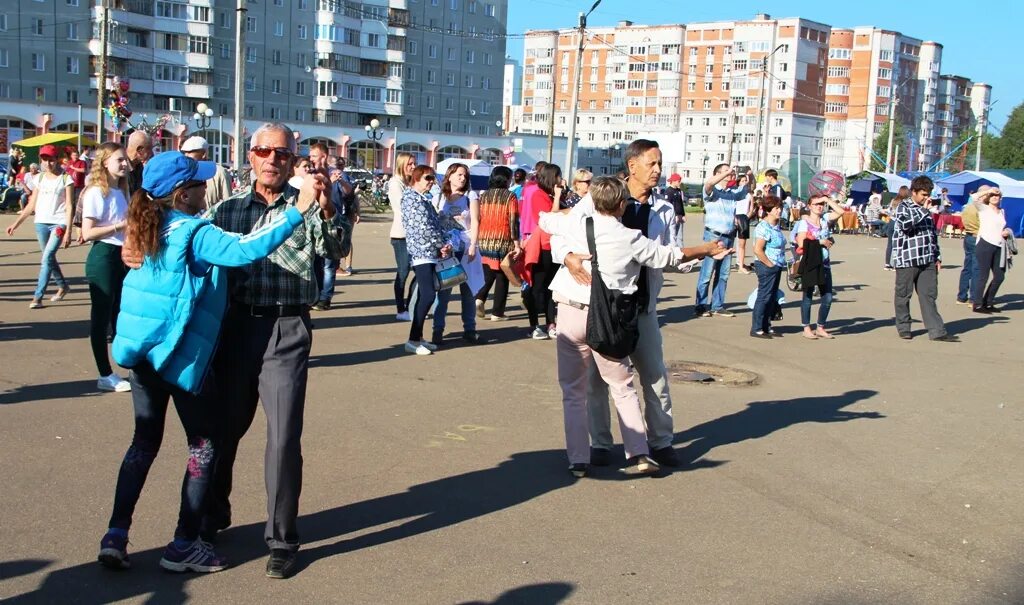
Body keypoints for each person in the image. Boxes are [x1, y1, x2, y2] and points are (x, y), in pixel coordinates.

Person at [98, 151, 319, 574]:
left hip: (141, 356)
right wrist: (298, 211)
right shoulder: (194, 231)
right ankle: (184, 543)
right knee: (204, 446)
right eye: (199, 183)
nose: (207, 188)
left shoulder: (147, 225)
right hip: (179, 357)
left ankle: (115, 534)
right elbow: (246, 249)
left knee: (143, 443)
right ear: (183, 194)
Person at [198, 122, 342, 579]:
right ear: (250, 155)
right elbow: (187, 243)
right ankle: (211, 514)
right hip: (236, 328)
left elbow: (335, 248)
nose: (272, 160)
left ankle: (281, 538)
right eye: (264, 151)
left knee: (282, 438)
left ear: (293, 160)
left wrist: (328, 208)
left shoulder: (307, 204)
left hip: (286, 328)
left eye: (281, 153)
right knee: (223, 430)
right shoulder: (227, 210)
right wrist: (137, 248)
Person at [541, 176, 726, 477]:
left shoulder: (577, 224)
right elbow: (669, 256)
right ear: (620, 204)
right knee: (622, 386)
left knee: (573, 390)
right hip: (607, 317)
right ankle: (639, 453)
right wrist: (705, 249)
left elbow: (545, 222)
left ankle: (578, 459)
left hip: (570, 310)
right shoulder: (629, 237)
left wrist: (567, 254)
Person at [80, 142, 132, 392]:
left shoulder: (121, 191)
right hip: (103, 256)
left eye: (125, 160)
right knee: (101, 318)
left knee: (121, 315)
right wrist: (120, 226)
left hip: (121, 256)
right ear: (104, 163)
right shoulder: (95, 193)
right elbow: (87, 233)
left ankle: (129, 366)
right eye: (119, 160)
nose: (125, 164)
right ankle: (105, 374)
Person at [6, 144, 73, 309]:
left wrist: (69, 231)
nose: (48, 163)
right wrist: (16, 224)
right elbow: (31, 205)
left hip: (59, 223)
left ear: (57, 159)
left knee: (47, 258)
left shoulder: (66, 178)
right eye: (44, 160)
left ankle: (37, 296)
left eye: (51, 160)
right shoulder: (39, 178)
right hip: (41, 223)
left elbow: (70, 205)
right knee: (48, 258)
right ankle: (63, 286)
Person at [892, 176, 957, 342]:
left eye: (928, 194)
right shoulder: (903, 207)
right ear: (913, 192)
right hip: (907, 259)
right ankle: (904, 328)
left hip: (927, 260)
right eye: (923, 194)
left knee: (929, 295)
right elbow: (906, 225)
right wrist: (924, 211)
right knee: (903, 295)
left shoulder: (927, 211)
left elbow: (932, 235)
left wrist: (937, 256)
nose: (926, 198)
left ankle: (937, 331)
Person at [401, 165, 453, 355]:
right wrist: (442, 244)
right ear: (416, 178)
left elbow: (436, 223)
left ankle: (418, 336)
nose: (431, 182)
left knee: (427, 295)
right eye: (427, 178)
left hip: (430, 252)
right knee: (428, 294)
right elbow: (424, 228)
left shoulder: (423, 198)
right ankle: (413, 339)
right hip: (421, 253)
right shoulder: (411, 199)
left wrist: (446, 242)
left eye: (433, 178)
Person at [432, 162, 482, 345]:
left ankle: (470, 329)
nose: (462, 178)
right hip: (446, 250)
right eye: (459, 174)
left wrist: (473, 245)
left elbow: (475, 221)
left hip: (466, 247)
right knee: (444, 292)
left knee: (468, 292)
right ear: (450, 175)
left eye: (465, 175)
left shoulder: (470, 196)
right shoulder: (439, 197)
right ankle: (437, 330)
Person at [695, 163, 750, 317]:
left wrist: (749, 176)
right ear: (718, 174)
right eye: (726, 171)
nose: (730, 174)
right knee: (707, 273)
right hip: (713, 236)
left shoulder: (732, 192)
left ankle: (717, 305)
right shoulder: (713, 191)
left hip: (729, 236)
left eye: (730, 171)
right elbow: (709, 184)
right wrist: (727, 173)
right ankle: (700, 305)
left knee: (723, 274)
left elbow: (746, 189)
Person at [793, 193, 845, 340]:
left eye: (821, 204)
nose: (819, 207)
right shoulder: (804, 223)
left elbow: (841, 212)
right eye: (816, 204)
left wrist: (827, 199)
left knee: (827, 297)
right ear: (809, 206)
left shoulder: (824, 219)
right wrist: (820, 242)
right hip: (810, 263)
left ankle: (820, 327)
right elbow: (802, 243)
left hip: (825, 263)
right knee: (808, 297)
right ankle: (806, 327)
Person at [522, 163, 563, 339]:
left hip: (554, 246)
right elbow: (550, 218)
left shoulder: (550, 194)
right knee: (537, 287)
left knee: (550, 288)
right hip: (541, 246)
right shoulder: (538, 194)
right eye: (558, 176)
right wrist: (558, 197)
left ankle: (550, 323)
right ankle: (534, 325)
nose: (561, 180)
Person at [474, 166, 521, 321]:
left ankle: (479, 298)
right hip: (502, 239)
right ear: (507, 179)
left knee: (488, 272)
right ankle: (497, 312)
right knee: (502, 275)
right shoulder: (510, 196)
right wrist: (516, 243)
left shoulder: (484, 195)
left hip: (484, 238)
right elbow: (513, 221)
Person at [750, 195, 786, 338]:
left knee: (772, 297)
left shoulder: (776, 226)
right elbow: (758, 249)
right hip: (766, 265)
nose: (779, 210)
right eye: (776, 208)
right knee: (764, 296)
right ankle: (757, 328)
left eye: (780, 207)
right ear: (768, 210)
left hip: (777, 264)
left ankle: (766, 325)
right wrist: (770, 265)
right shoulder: (763, 227)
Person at [971, 188, 1011, 313]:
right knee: (983, 276)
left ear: (1000, 198)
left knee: (999, 276)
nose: (994, 197)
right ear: (989, 197)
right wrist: (988, 190)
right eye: (992, 195)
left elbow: (1000, 226)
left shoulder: (1002, 211)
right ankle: (977, 304)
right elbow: (974, 197)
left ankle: (988, 302)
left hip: (999, 245)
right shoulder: (984, 208)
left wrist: (1006, 231)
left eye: (997, 195)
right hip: (985, 243)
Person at [389, 152, 417, 320]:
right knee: (403, 271)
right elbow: (403, 206)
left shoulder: (410, 183)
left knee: (420, 271)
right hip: (401, 235)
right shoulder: (395, 183)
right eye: (409, 164)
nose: (413, 167)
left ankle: (410, 305)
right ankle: (401, 309)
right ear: (401, 164)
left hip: (415, 234)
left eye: (414, 163)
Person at [180, 136, 233, 209]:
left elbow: (228, 202)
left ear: (203, 154)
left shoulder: (219, 172)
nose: (186, 156)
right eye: (184, 153)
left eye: (189, 152)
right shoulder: (185, 173)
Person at [957, 187, 982, 305]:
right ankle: (973, 298)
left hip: (968, 236)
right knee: (977, 268)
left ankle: (961, 296)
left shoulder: (967, 207)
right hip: (977, 237)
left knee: (967, 267)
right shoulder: (980, 209)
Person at [733, 173, 755, 274]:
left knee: (742, 244)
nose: (744, 182)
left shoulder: (749, 195)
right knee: (728, 243)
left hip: (743, 218)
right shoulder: (735, 193)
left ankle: (741, 265)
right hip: (734, 217)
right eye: (742, 181)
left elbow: (751, 208)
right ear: (738, 183)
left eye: (745, 181)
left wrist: (747, 217)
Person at [882, 186, 908, 270]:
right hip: (899, 223)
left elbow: (888, 211)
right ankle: (895, 264)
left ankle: (887, 264)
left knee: (890, 243)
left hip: (891, 221)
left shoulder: (894, 200)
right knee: (899, 244)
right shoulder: (905, 202)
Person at [124, 131, 153, 196]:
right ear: (140, 150)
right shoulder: (121, 167)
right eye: (149, 149)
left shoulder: (141, 167)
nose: (151, 152)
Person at [664, 173, 685, 248]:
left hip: (680, 216)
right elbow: (668, 205)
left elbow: (680, 203)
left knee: (680, 237)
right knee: (673, 235)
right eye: (679, 181)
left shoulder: (679, 190)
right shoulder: (668, 191)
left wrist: (683, 215)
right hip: (673, 217)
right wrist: (675, 215)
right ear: (673, 181)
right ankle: (673, 250)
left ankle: (681, 251)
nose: (680, 182)